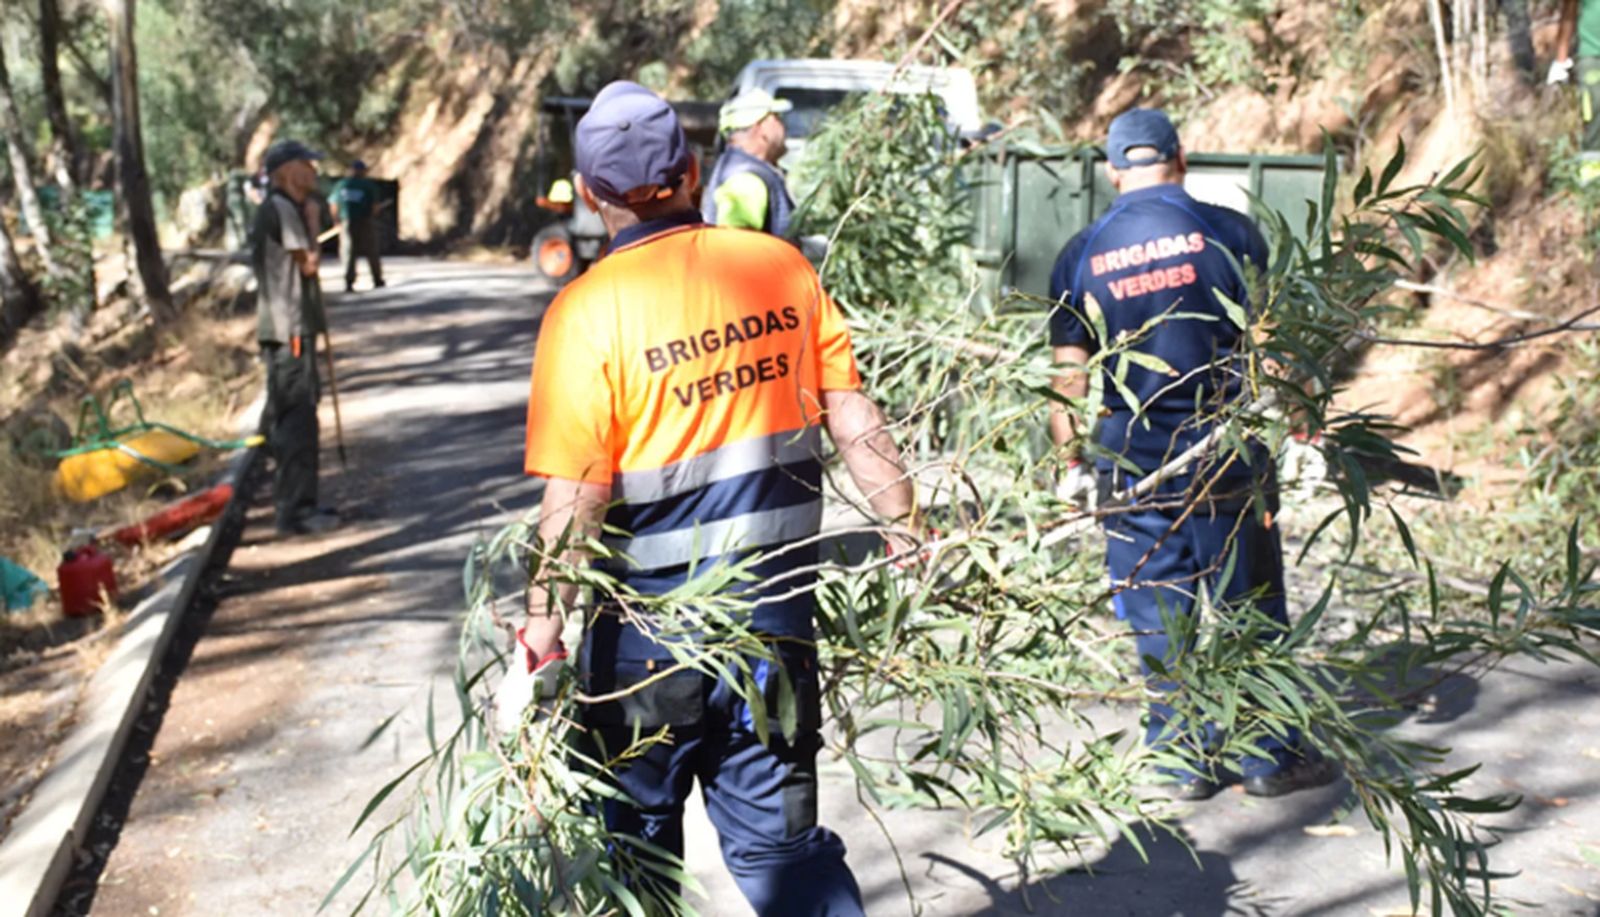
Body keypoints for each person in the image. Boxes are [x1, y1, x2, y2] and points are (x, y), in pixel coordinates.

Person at [499, 80, 921, 915]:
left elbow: (576, 502)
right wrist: (910, 525)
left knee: (634, 863)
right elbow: (850, 411)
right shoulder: (779, 266)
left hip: (644, 655)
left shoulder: (585, 315)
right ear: (692, 170)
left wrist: (541, 642)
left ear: (591, 195)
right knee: (786, 856)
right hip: (772, 632)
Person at [1046, 108, 1339, 801]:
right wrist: (1304, 430)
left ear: (1113, 169)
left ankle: (1181, 760)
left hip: (1135, 464)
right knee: (1248, 606)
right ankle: (1267, 755)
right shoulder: (1229, 232)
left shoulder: (1080, 253)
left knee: (1157, 614)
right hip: (1224, 454)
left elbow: (1068, 378)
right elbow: (1269, 346)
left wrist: (1071, 466)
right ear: (1181, 158)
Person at [251, 140, 337, 536]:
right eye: (307, 165)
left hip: (291, 330)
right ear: (287, 170)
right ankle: (295, 510)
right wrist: (315, 222)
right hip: (290, 332)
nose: (314, 173)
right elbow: (309, 263)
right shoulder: (283, 208)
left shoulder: (282, 207)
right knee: (297, 419)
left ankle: (299, 503)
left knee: (295, 416)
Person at [701, 88, 796, 236]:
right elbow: (739, 246)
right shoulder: (746, 180)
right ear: (763, 126)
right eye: (777, 118)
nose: (783, 126)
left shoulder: (736, 166)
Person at [1550, 0, 1600, 186]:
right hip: (1591, 55)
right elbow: (1568, 15)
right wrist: (1560, 60)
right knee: (1594, 108)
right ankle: (1592, 176)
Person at [330, 159, 387, 291]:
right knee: (370, 250)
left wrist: (336, 221)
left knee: (348, 251)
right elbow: (375, 206)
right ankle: (376, 279)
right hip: (363, 220)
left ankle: (350, 281)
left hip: (348, 221)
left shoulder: (341, 185)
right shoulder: (367, 186)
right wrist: (372, 217)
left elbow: (333, 204)